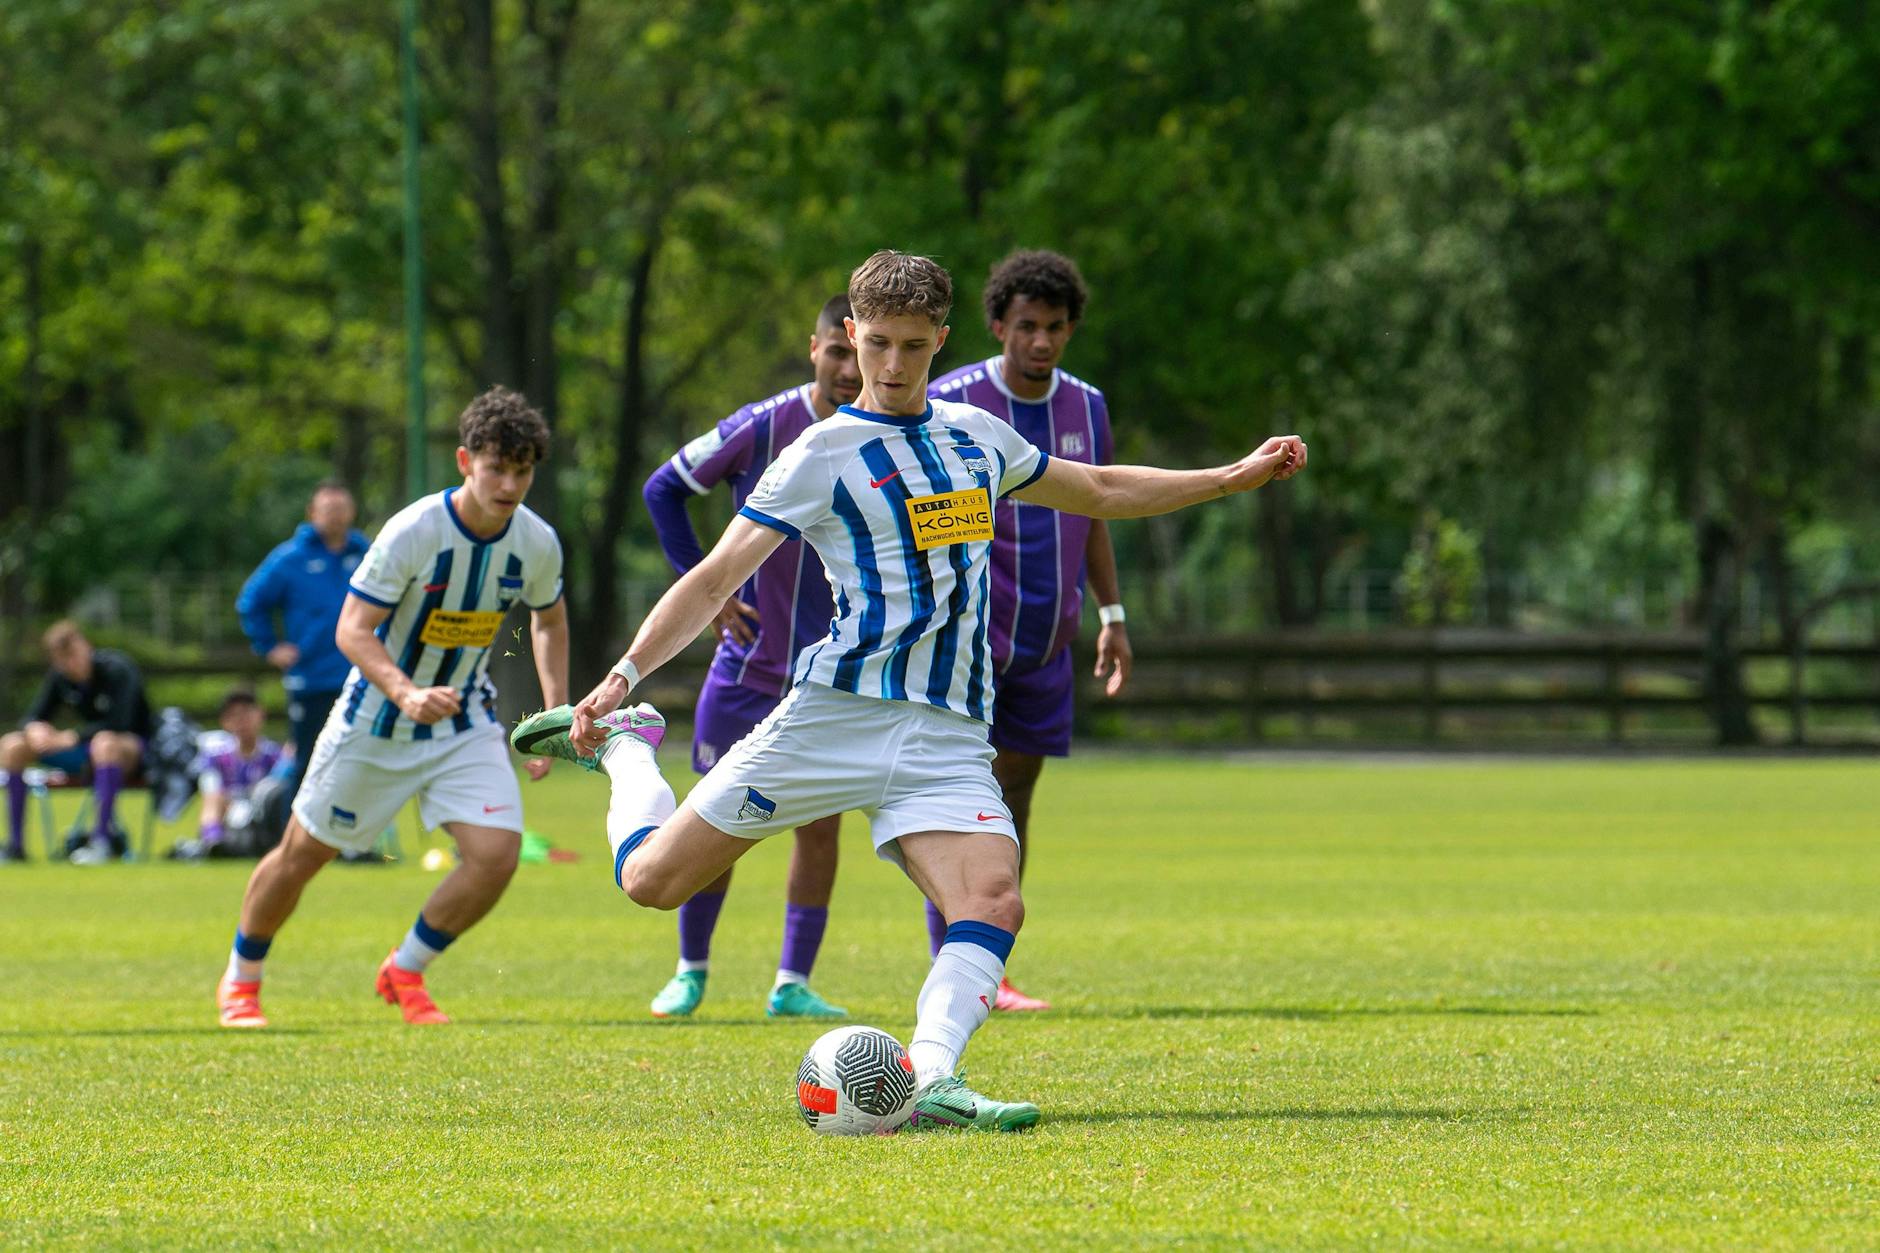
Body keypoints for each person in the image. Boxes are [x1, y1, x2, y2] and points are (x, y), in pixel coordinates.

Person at [514, 250, 1306, 1130]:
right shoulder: (819, 453)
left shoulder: (980, 436)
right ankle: (630, 748)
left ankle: (928, 1076)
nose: (893, 366)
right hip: (833, 717)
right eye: (878, 344)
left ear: (942, 341)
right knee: (653, 881)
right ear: (850, 337)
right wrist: (621, 675)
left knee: (994, 899)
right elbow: (713, 577)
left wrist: (1230, 477)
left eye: (914, 347)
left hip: (947, 734)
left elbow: (1101, 488)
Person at [214, 387, 569, 1029]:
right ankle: (242, 980)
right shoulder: (414, 531)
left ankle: (404, 970)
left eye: (523, 471)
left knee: (497, 857)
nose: (510, 484)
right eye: (497, 468)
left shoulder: (537, 543)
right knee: (301, 856)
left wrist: (554, 713)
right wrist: (404, 691)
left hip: (465, 722)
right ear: (465, 461)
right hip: (376, 722)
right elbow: (352, 628)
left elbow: (547, 622)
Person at [637, 294, 861, 1020]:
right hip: (746, 668)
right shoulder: (764, 424)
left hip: (830, 677)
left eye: (861, 354)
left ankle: (791, 982)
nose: (850, 369)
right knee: (708, 818)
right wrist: (701, 583)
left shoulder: (885, 438)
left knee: (821, 828)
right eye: (837, 351)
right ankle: (691, 970)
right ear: (815, 348)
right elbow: (664, 487)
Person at [925, 249, 1130, 1012]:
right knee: (956, 805)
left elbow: (1100, 508)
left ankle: (987, 970)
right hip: (964, 649)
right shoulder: (951, 402)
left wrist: (1112, 614)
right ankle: (949, 961)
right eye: (1026, 327)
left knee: (1015, 803)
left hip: (1046, 645)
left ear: (1070, 329)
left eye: (1054, 328)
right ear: (997, 326)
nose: (1040, 342)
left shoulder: (1088, 407)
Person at [236, 481, 370, 798]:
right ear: (312, 513)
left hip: (361, 674)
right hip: (311, 679)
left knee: (358, 760)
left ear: (351, 512)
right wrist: (269, 647)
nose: (335, 517)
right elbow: (250, 602)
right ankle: (293, 839)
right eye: (328, 510)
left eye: (341, 509)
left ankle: (353, 843)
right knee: (308, 761)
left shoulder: (367, 553)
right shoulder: (290, 559)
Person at [2, 621, 152, 864]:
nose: (70, 664)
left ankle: (101, 841)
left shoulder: (117, 669)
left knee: (105, 742)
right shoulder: (60, 678)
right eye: (62, 659)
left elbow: (120, 722)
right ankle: (14, 847)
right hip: (84, 751)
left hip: (130, 750)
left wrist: (70, 737)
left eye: (73, 655)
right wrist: (35, 730)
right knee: (12, 745)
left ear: (86, 647)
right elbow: (33, 715)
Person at [170, 690, 286, 860]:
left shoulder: (274, 756)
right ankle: (212, 841)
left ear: (260, 715)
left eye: (247, 713)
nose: (242, 721)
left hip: (261, 818)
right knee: (214, 797)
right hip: (228, 816)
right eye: (235, 715)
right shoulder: (216, 756)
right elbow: (211, 788)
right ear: (225, 721)